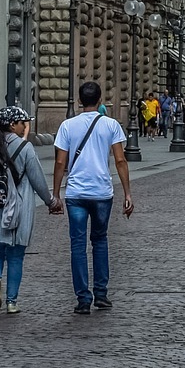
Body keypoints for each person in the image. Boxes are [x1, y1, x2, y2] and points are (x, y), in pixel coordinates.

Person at [0, 105, 63, 314]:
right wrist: (50, 201)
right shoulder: (25, 148)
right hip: (18, 207)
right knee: (16, 255)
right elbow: (37, 179)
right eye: (22, 123)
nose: (24, 126)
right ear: (12, 124)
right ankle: (11, 302)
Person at [51, 81, 133, 315]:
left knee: (77, 245)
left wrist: (56, 194)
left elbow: (60, 162)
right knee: (100, 241)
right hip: (101, 193)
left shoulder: (67, 126)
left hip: (75, 193)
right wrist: (127, 192)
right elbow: (120, 160)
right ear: (100, 101)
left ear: (79, 101)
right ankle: (101, 293)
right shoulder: (111, 125)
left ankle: (83, 299)